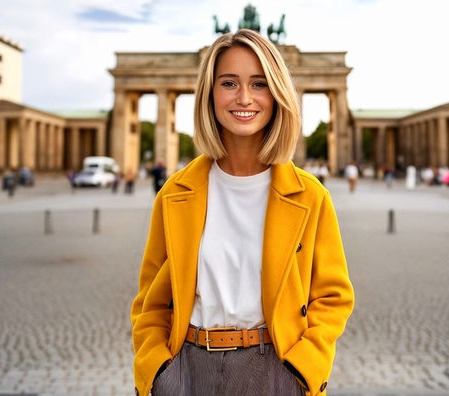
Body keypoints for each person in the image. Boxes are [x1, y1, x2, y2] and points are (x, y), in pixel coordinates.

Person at [131, 29, 354, 396]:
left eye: (260, 83)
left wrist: (303, 367)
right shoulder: (175, 194)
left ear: (279, 92)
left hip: (276, 369)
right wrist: (157, 371)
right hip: (186, 368)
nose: (245, 97)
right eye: (229, 83)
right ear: (209, 93)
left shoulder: (310, 196)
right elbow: (150, 301)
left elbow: (334, 296)